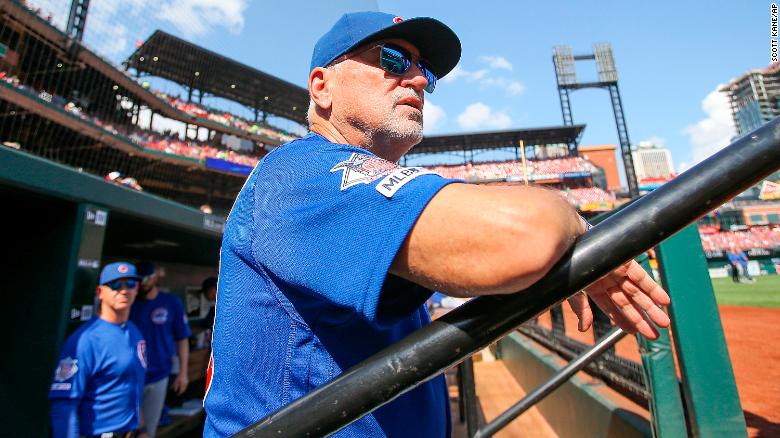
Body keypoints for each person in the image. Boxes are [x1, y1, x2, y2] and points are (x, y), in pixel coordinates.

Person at [204, 11, 671, 437]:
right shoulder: (301, 174)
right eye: (393, 58)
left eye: (423, 70)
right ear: (322, 86)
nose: (418, 80)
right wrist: (575, 224)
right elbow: (521, 238)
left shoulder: (348, 192)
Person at [49, 262, 148, 438]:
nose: (124, 290)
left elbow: (133, 385)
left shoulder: (135, 331)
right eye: (116, 285)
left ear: (137, 289)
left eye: (130, 284)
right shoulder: (85, 340)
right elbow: (64, 405)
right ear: (100, 292)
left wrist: (142, 429)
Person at [130, 261, 191, 437]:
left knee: (148, 431)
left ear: (156, 277)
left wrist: (183, 373)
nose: (143, 283)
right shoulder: (130, 303)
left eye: (147, 278)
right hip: (131, 377)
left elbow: (182, 339)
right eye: (139, 279)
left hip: (159, 374)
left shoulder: (170, 302)